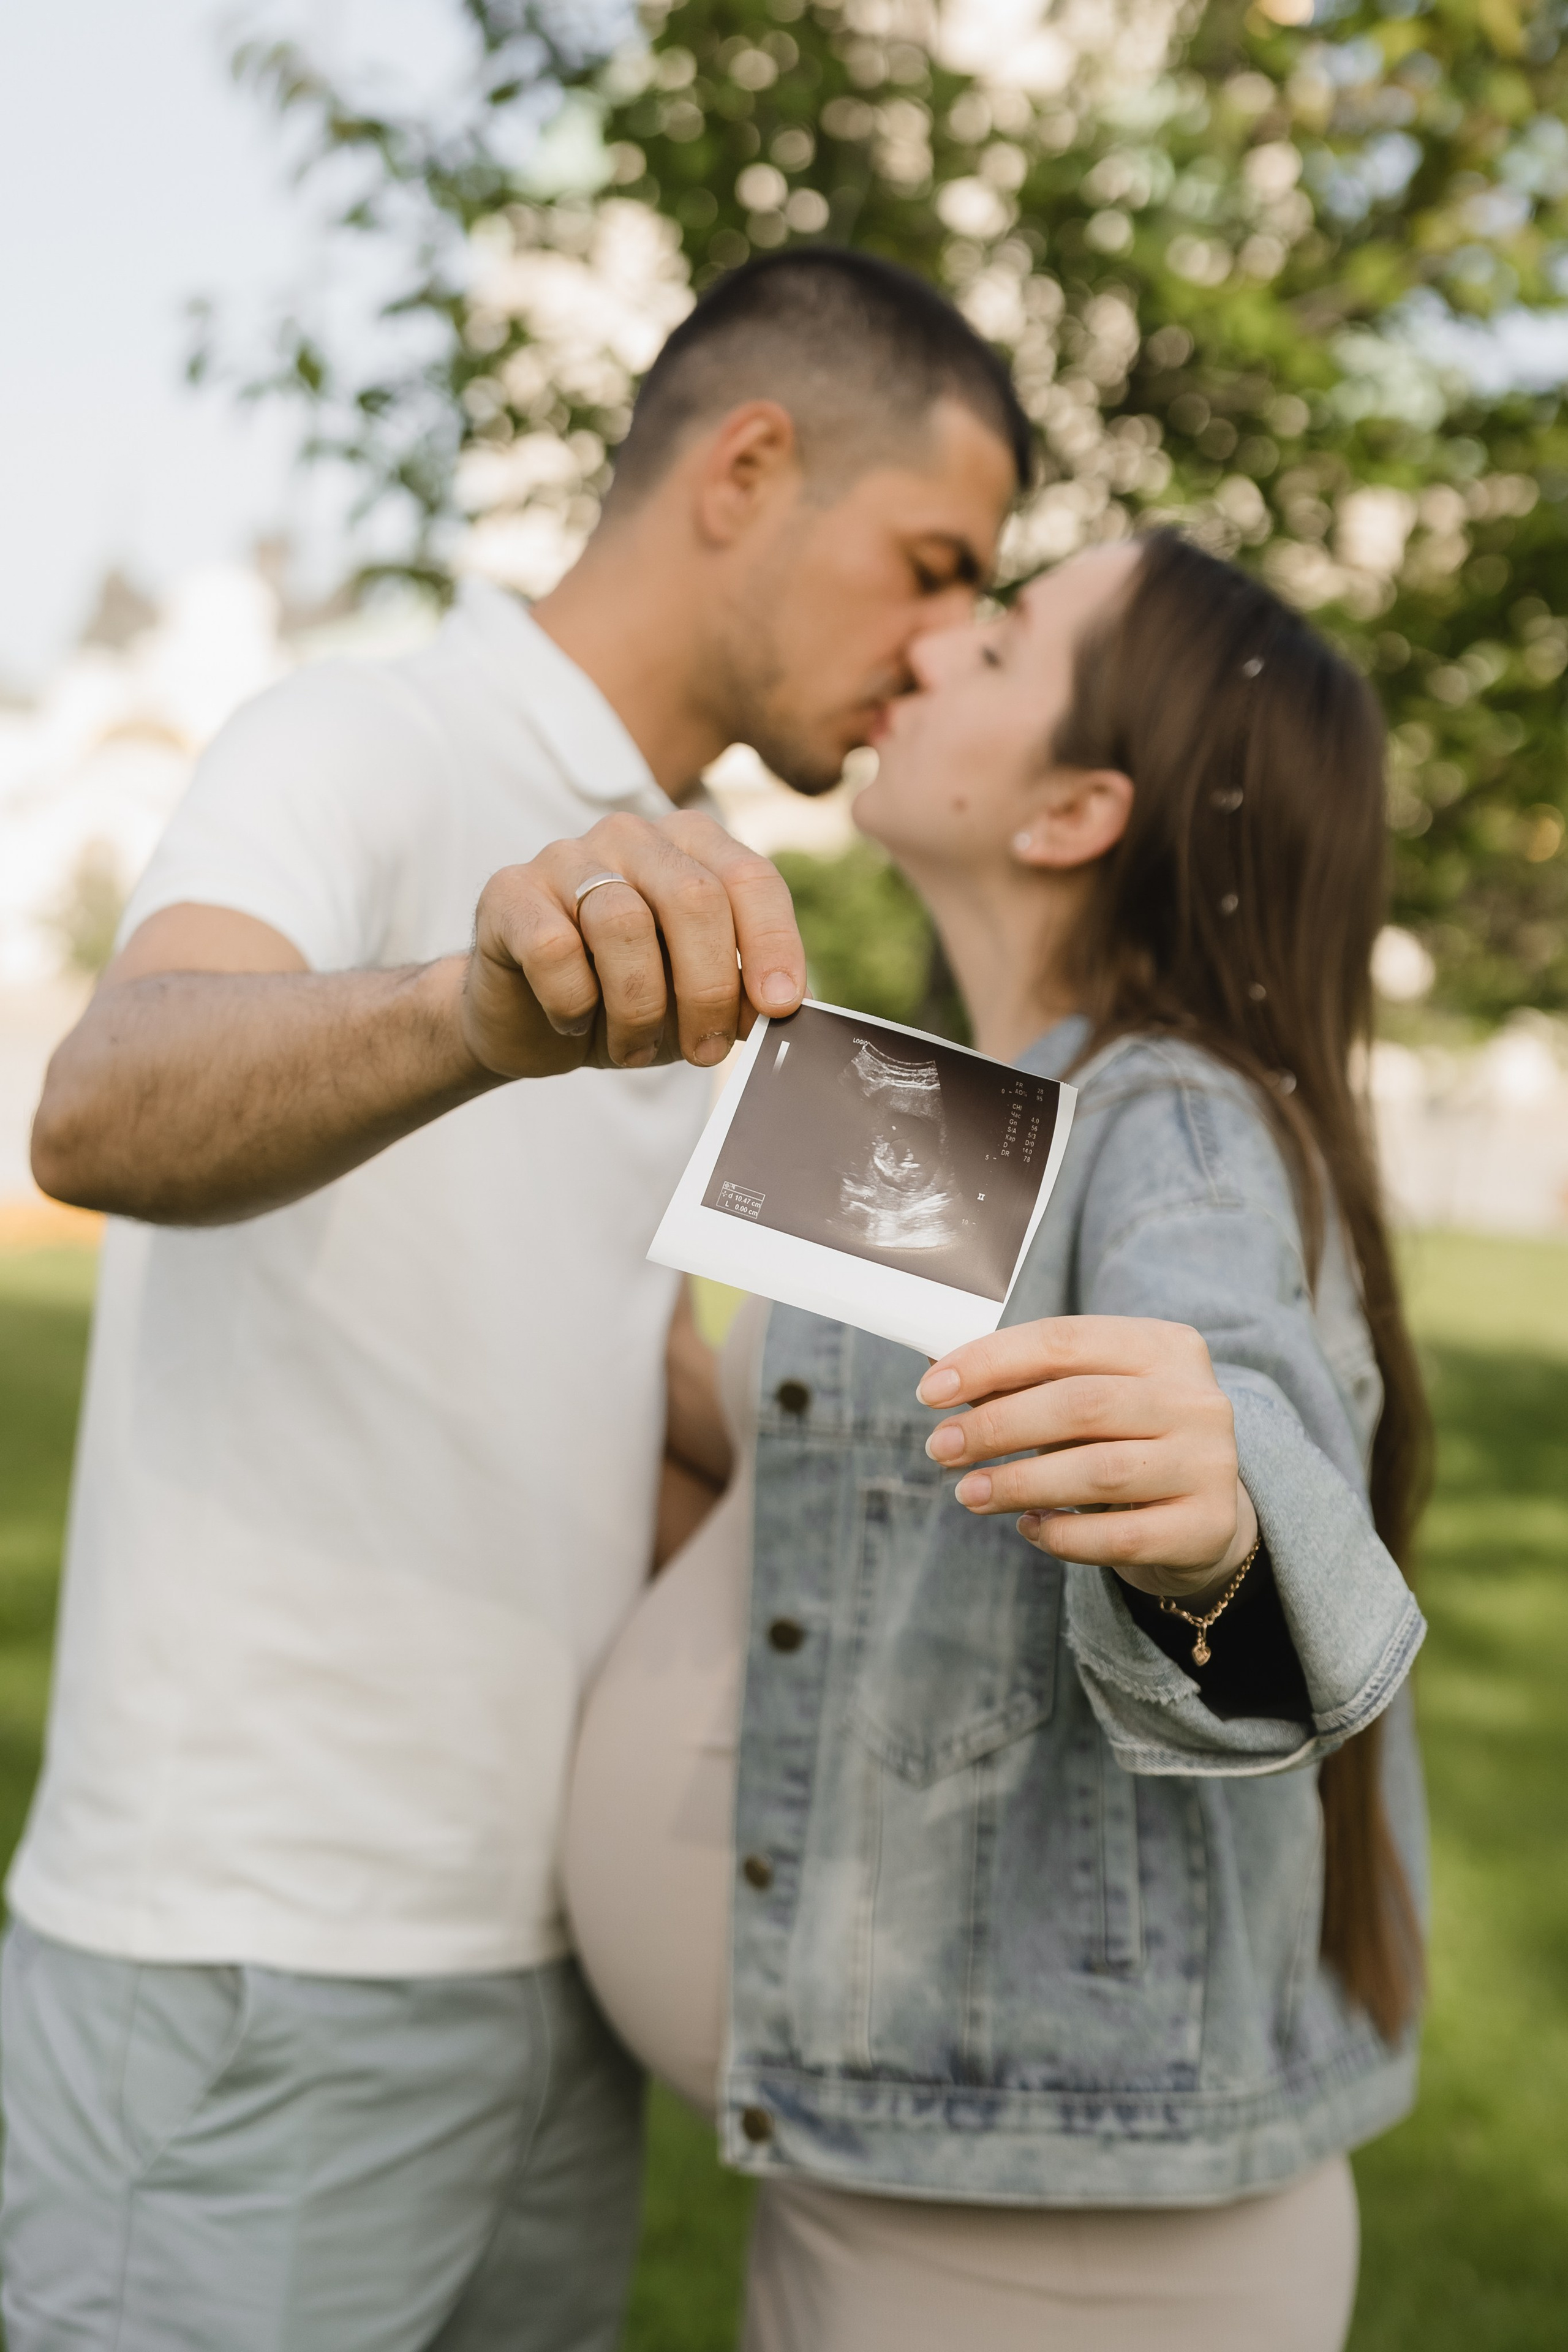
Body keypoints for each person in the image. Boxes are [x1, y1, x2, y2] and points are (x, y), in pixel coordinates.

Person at [1, 250, 1031, 2352]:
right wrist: (476, 1008)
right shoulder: (369, 727)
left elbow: (681, 1423)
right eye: (935, 564)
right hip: (256, 1971)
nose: (941, 651)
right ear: (749, 466)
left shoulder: (713, 903)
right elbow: (99, 1105)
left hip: (556, 1987)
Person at [565, 529, 1431, 2351]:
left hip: (1058, 2242)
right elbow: (800, 1473)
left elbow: (1242, 1426)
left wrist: (1221, 1533)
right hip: (875, 2156)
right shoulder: (968, 1103)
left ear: (1072, 812)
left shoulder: (1174, 1117)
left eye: (1007, 636)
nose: (940, 640)